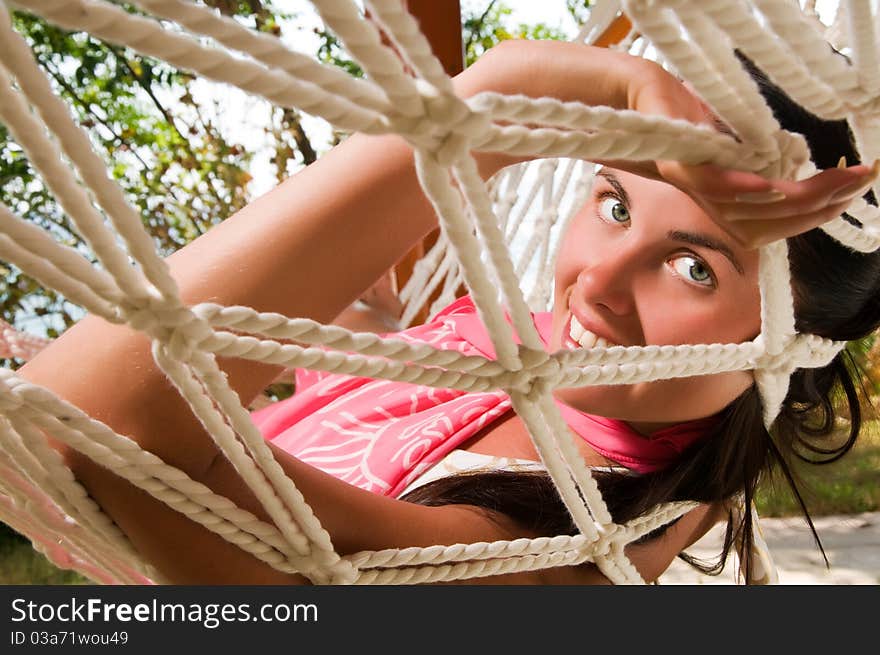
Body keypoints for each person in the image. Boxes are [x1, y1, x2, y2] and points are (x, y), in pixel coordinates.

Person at [17, 40, 880, 585]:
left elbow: (89, 421)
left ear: (791, 340)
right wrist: (371, 337)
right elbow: (408, 389)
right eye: (614, 203)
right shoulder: (517, 347)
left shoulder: (553, 553)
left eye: (695, 266)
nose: (596, 284)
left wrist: (502, 95)